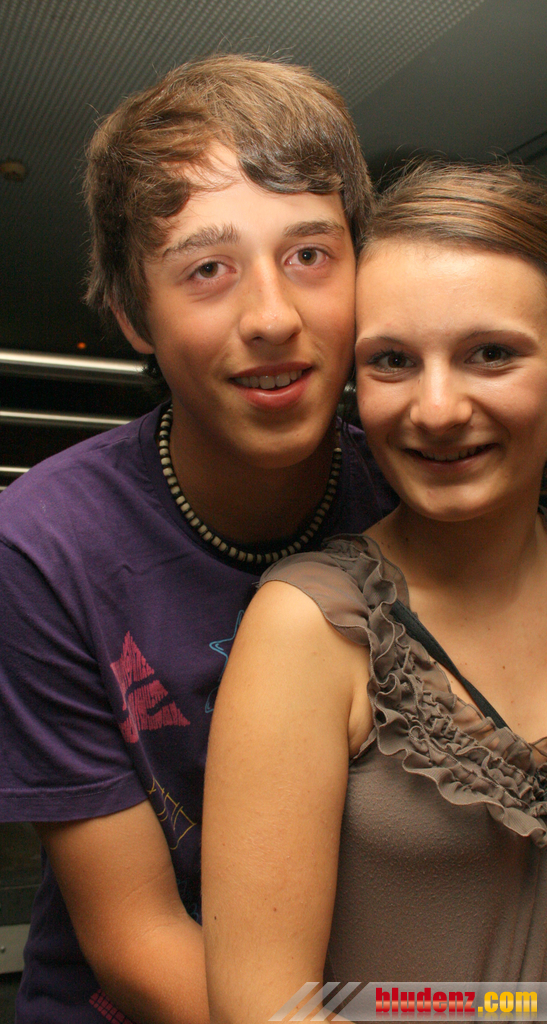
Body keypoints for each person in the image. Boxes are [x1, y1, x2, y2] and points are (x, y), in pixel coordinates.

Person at [202, 162, 547, 1023]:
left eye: (489, 354)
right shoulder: (311, 626)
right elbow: (266, 1007)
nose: (436, 408)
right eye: (391, 361)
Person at [0, 55, 395, 1024]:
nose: (273, 317)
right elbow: (139, 941)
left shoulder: (411, 492)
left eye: (310, 255)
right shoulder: (45, 544)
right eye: (208, 270)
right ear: (134, 315)